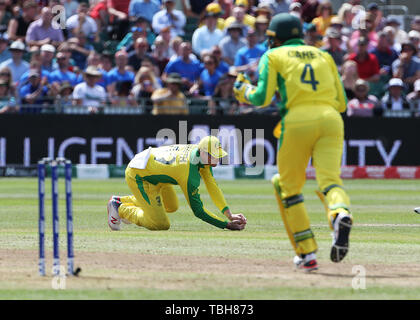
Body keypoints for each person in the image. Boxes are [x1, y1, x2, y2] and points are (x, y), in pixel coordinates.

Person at [233, 13, 352, 271]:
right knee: (330, 181)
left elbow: (262, 98)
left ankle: (307, 254)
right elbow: (343, 103)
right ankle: (339, 213)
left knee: (288, 188)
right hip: (332, 119)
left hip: (297, 120)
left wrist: (242, 90)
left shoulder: (273, 56)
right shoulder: (324, 55)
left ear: (276, 38)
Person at [106, 135, 247, 232]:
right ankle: (120, 208)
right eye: (213, 156)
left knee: (171, 206)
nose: (216, 160)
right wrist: (226, 225)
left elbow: (212, 185)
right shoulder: (188, 174)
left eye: (218, 155)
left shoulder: (199, 154)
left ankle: (120, 200)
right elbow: (199, 212)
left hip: (154, 170)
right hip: (140, 175)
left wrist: (228, 214)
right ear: (203, 152)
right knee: (160, 224)